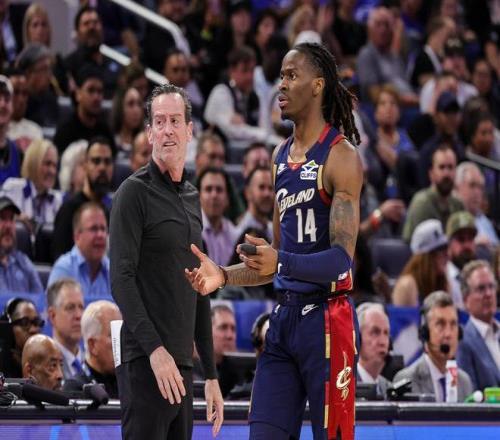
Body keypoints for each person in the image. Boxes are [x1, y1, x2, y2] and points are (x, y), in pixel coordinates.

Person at [186, 42, 363, 440]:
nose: (281, 85)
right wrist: (224, 276)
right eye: (280, 76)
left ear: (317, 85)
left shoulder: (341, 156)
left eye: (291, 76)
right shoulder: (279, 157)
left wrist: (280, 261)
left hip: (328, 321)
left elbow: (340, 261)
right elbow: (274, 262)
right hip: (284, 319)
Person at [109, 84, 223, 440]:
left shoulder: (191, 197)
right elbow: (121, 280)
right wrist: (155, 351)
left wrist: (211, 375)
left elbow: (200, 287)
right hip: (146, 362)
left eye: (175, 121)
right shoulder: (133, 192)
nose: (168, 130)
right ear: (149, 133)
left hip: (182, 368)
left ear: (190, 130)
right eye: (160, 122)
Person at [393, 291, 473, 402]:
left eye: (453, 324)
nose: (448, 334)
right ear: (425, 333)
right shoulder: (407, 380)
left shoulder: (464, 382)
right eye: (440, 324)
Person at [52, 137, 113, 260]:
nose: (102, 167)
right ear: (85, 166)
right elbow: (59, 259)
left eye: (107, 162)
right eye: (96, 161)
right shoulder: (68, 210)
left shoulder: (113, 211)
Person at [48, 202, 110, 300]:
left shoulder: (113, 270)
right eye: (94, 229)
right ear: (77, 236)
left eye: (103, 229)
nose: (101, 235)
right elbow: (54, 308)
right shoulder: (64, 269)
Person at [64, 300, 122, 398]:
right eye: (113, 335)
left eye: (122, 334)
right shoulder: (75, 389)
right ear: (92, 345)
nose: (121, 342)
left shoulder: (130, 384)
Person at [457, 260, 500, 389]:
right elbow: (470, 395)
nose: (488, 294)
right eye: (481, 289)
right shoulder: (463, 342)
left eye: (491, 287)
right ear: (466, 300)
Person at [1, 139, 62, 228]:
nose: (52, 171)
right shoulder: (13, 188)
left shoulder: (57, 200)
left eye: (54, 166)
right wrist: (15, 219)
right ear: (33, 163)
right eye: (47, 164)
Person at [393, 219, 449, 306]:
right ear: (426, 258)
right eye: (441, 250)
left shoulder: (444, 281)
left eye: (446, 249)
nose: (447, 255)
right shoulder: (407, 285)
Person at [0, 196, 43, 294]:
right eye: (2, 218)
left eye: (11, 219)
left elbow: (40, 300)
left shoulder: (23, 262)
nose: (8, 226)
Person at [46, 278, 85, 379]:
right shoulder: (44, 365)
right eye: (70, 307)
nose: (79, 315)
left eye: (81, 307)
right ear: (52, 316)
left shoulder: (93, 362)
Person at [0, 297, 44, 378]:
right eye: (24, 323)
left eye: (36, 322)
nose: (33, 329)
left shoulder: (47, 364)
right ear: (9, 328)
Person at [356, 302, 392, 398]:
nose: (383, 342)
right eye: (375, 332)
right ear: (357, 339)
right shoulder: (343, 386)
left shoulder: (389, 388)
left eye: (386, 333)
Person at [445, 211, 478, 309]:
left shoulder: (482, 276)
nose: (467, 245)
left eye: (470, 239)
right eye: (461, 239)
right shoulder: (443, 277)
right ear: (449, 243)